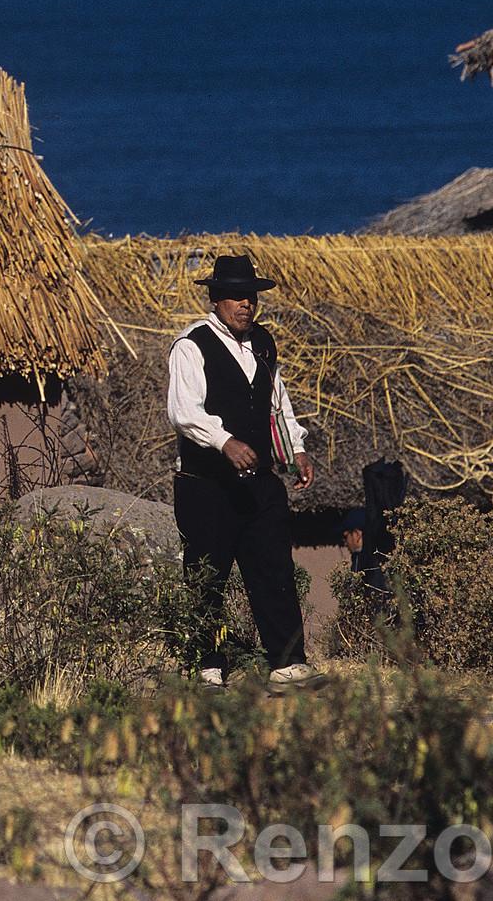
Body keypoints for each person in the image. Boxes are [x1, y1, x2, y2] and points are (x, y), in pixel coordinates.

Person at [167, 253, 325, 691]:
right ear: (216, 299)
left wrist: (296, 449)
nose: (246, 304)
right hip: (207, 486)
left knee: (274, 570)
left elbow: (277, 403)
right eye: (236, 296)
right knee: (207, 576)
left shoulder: (263, 344)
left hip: (260, 484)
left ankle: (287, 664)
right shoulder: (191, 345)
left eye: (251, 296)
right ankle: (207, 667)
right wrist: (224, 441)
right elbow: (183, 412)